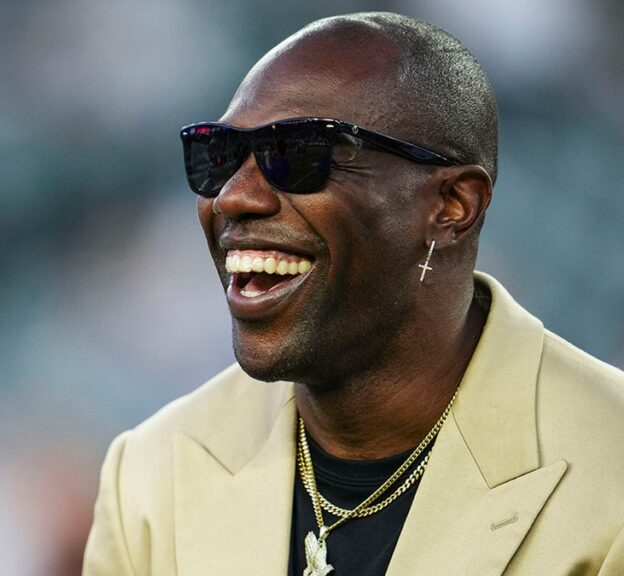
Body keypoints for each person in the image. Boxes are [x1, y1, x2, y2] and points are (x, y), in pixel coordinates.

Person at [82, 11, 624, 576]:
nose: (233, 197)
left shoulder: (611, 480)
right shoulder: (148, 479)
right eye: (217, 155)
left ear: (452, 206)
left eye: (299, 153)